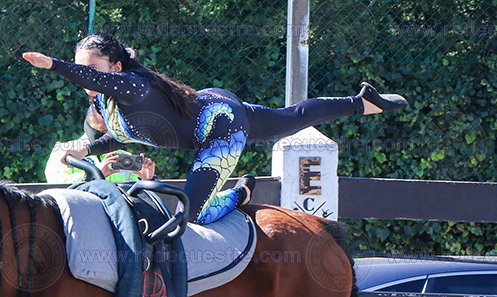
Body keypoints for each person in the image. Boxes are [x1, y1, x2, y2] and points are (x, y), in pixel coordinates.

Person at [23, 33, 408, 225]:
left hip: (219, 127)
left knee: (186, 217)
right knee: (289, 118)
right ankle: (364, 103)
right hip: (214, 105)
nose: (86, 76)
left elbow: (86, 76)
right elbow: (122, 135)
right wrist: (86, 152)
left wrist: (53, 64)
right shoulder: (107, 102)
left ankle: (235, 199)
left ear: (116, 68)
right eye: (81, 67)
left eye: (92, 68)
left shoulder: (133, 86)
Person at [45, 106, 157, 183]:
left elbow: (136, 198)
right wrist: (93, 175)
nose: (106, 139)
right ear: (90, 124)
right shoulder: (64, 150)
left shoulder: (124, 157)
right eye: (103, 132)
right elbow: (54, 183)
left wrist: (146, 180)